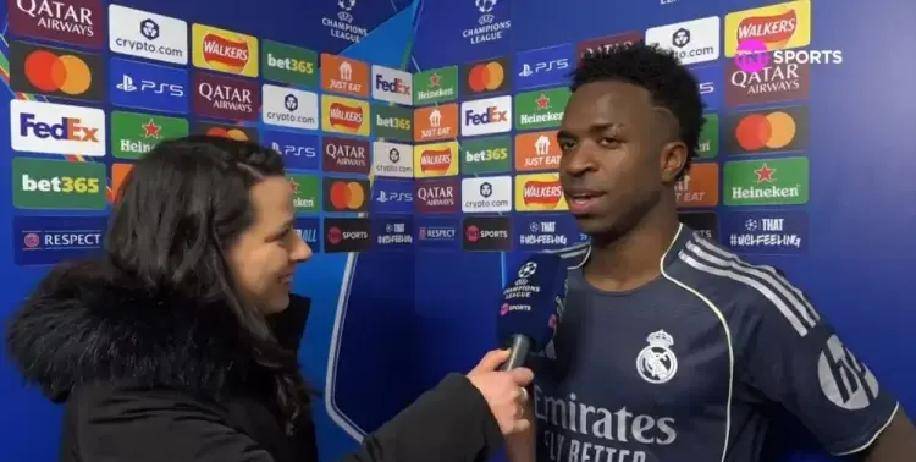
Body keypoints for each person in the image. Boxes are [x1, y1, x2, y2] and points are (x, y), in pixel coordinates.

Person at [5, 136, 533, 462]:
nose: (303, 251)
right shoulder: (130, 401)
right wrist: (465, 411)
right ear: (206, 252)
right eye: (281, 236)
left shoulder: (232, 352)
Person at [506, 43, 916, 462]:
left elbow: (892, 443)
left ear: (670, 160)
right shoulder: (539, 282)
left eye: (608, 140)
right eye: (568, 144)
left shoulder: (748, 302)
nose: (575, 164)